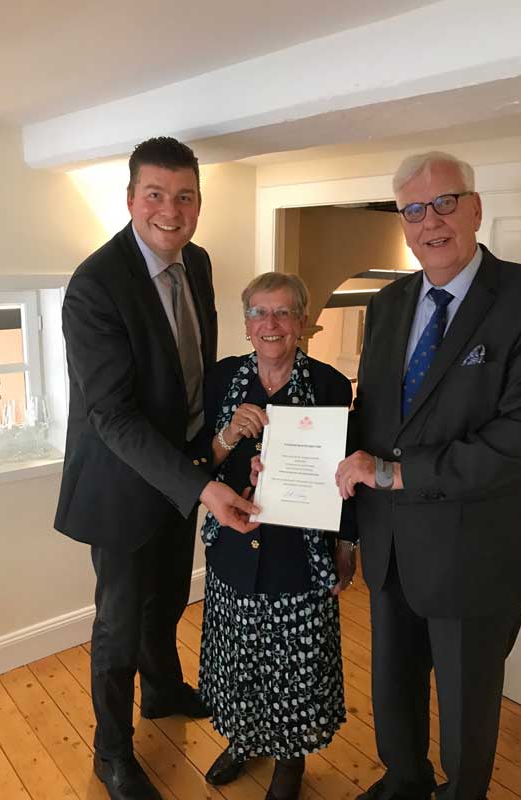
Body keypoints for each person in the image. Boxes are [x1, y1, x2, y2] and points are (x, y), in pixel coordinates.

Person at [336, 151, 521, 800]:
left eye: (445, 203)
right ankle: (403, 781)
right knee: (394, 684)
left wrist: (393, 474)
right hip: (390, 545)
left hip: (476, 551)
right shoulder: (387, 304)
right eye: (413, 210)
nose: (430, 221)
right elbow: (370, 420)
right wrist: (342, 520)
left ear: (475, 208)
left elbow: (518, 442)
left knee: (467, 704)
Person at [54, 136, 258, 800]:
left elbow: (195, 373)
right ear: (130, 199)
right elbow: (111, 415)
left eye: (185, 196)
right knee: (118, 628)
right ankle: (111, 753)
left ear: (199, 202)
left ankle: (163, 691)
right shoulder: (94, 286)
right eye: (155, 195)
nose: (171, 211)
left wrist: (221, 454)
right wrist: (201, 485)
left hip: (186, 470)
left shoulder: (197, 262)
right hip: (121, 487)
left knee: (169, 598)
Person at [196, 273, 357, 800]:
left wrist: (347, 544)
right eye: (259, 313)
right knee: (239, 656)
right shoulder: (221, 379)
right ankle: (244, 740)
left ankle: (290, 760)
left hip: (299, 554)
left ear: (303, 323)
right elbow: (196, 466)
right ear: (246, 325)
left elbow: (347, 477)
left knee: (295, 664)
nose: (271, 324)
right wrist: (228, 436)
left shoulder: (331, 385)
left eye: (284, 312)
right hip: (233, 549)